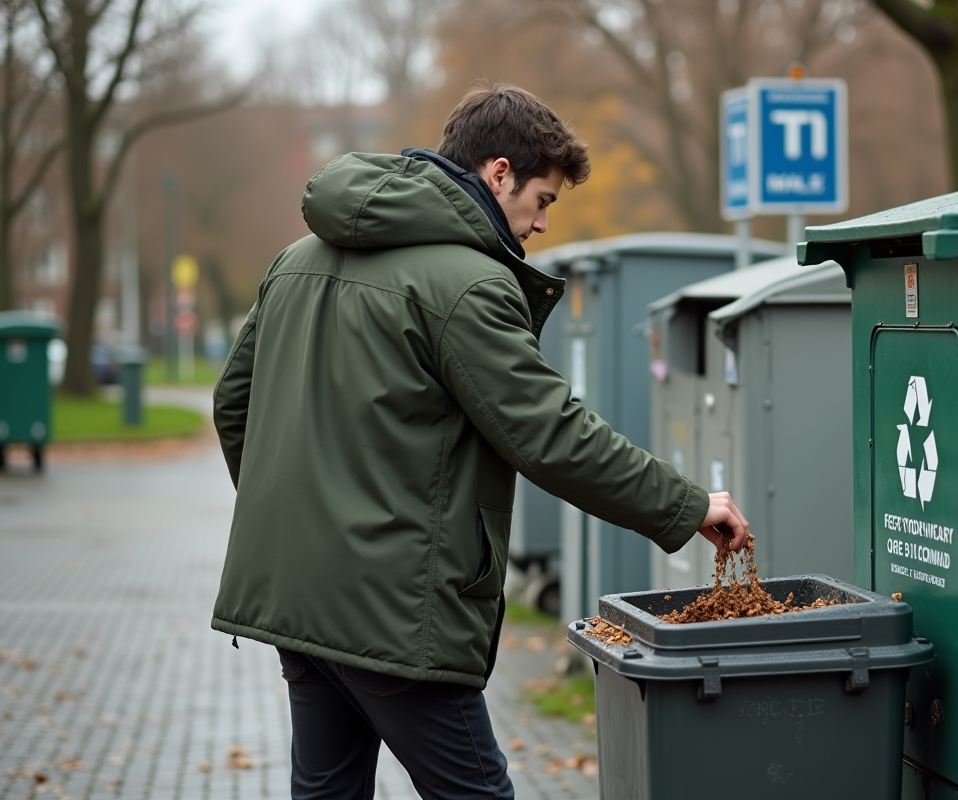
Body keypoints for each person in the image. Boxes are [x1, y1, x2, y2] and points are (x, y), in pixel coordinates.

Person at [211, 84, 750, 800]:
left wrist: (305, 524)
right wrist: (685, 505)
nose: (542, 225)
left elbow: (232, 404)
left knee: (326, 791)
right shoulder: (469, 285)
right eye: (543, 200)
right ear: (498, 173)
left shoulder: (295, 259)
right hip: (392, 611)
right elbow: (550, 434)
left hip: (298, 596)